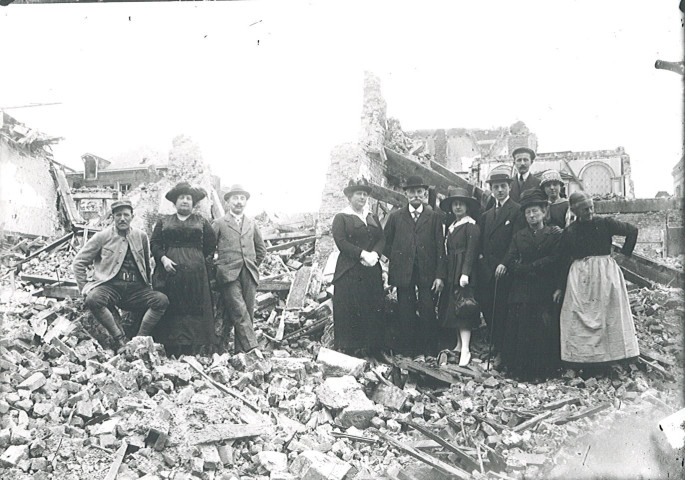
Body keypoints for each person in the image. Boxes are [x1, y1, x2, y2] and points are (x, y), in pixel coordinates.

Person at [553, 192, 640, 366]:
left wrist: (624, 255)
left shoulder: (605, 223)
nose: (590, 212)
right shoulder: (570, 232)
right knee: (578, 315)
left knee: (610, 314)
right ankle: (582, 359)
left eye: (591, 207)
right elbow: (562, 260)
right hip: (580, 278)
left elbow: (632, 231)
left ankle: (615, 357)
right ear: (575, 211)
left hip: (605, 275)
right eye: (585, 209)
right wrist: (560, 287)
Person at [73, 200, 169, 350]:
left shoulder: (141, 236)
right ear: (112, 217)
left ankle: (139, 339)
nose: (122, 218)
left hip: (135, 290)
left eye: (126, 215)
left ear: (132, 216)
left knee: (161, 301)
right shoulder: (102, 237)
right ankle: (120, 338)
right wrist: (84, 288)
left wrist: (148, 286)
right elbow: (79, 262)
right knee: (93, 299)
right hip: (111, 287)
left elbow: (146, 264)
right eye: (118, 215)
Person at [501, 189, 562, 381]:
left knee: (542, 328)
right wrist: (520, 269)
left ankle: (542, 372)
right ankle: (519, 371)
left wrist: (534, 266)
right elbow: (510, 259)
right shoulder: (519, 236)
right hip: (522, 288)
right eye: (528, 212)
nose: (532, 215)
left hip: (544, 288)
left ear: (544, 212)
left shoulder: (553, 234)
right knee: (521, 327)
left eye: (535, 211)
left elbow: (557, 259)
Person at [150, 182, 217, 356]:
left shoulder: (201, 222)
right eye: (182, 198)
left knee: (193, 309)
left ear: (193, 203)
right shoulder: (164, 222)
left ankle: (192, 350)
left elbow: (211, 245)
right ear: (175, 202)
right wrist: (163, 259)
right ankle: (171, 348)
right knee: (172, 307)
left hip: (195, 276)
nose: (185, 201)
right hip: (170, 274)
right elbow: (155, 244)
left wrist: (200, 263)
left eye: (189, 198)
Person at [384, 175, 446, 361]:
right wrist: (399, 258)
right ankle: (408, 350)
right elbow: (386, 243)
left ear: (425, 194)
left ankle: (429, 351)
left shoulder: (434, 217)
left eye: (419, 192)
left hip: (427, 272)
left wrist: (439, 276)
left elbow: (440, 248)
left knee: (427, 310)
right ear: (406, 194)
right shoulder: (396, 217)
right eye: (412, 192)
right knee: (405, 310)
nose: (416, 195)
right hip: (404, 272)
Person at [331, 178, 386, 357]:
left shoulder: (372, 216)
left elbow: (381, 238)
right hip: (350, 270)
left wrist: (375, 255)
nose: (362, 197)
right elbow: (341, 242)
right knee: (351, 308)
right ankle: (351, 350)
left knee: (373, 306)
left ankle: (372, 349)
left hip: (371, 269)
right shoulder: (341, 217)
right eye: (358, 194)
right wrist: (362, 254)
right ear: (349, 197)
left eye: (365, 194)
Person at [212, 184, 266, 354]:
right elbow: (208, 250)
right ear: (227, 201)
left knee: (248, 312)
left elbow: (261, 249)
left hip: (249, 273)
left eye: (242, 198)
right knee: (239, 310)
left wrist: (252, 264)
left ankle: (241, 354)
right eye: (235, 198)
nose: (239, 202)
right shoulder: (219, 223)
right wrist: (219, 268)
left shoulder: (251, 223)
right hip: (228, 275)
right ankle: (253, 349)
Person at [476, 172, 525, 354]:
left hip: (505, 270)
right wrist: (482, 261)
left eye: (503, 186)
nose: (499, 190)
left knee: (503, 310)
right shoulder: (487, 214)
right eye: (495, 187)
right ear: (491, 190)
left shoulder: (517, 210)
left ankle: (505, 350)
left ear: (509, 187)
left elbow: (516, 241)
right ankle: (495, 345)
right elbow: (481, 242)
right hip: (487, 270)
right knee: (488, 307)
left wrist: (504, 263)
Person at [437, 187, 481, 367]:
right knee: (454, 308)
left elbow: (471, 251)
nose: (457, 207)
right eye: (455, 204)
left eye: (461, 204)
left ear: (467, 206)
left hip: (463, 272)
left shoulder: (471, 226)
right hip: (451, 270)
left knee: (464, 309)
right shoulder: (452, 226)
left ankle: (466, 349)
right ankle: (458, 344)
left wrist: (465, 273)